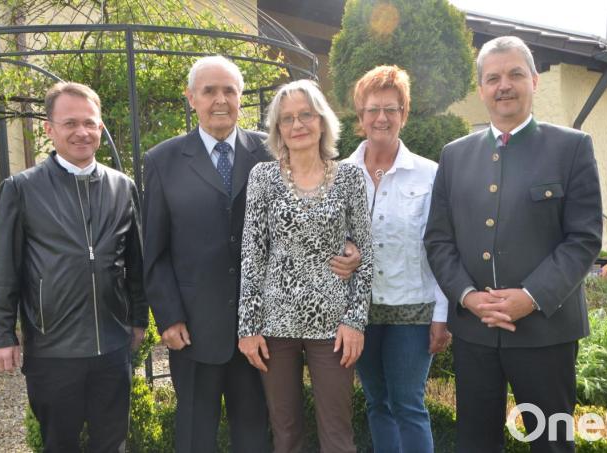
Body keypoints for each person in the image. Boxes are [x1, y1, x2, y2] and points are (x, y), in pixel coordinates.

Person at [143, 56, 361, 452]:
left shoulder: (269, 153)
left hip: (262, 331)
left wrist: (348, 249)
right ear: (191, 98)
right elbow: (153, 250)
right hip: (195, 326)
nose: (220, 99)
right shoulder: (163, 160)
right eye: (209, 91)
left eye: (229, 90)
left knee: (258, 435)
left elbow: (310, 211)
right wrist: (169, 316)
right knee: (195, 436)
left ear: (241, 97)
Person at [424, 36, 603, 453]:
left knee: (552, 444)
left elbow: (583, 238)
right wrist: (468, 297)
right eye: (493, 78)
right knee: (474, 443)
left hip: (545, 330)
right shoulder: (454, 155)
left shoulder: (572, 147)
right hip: (475, 332)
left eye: (515, 74)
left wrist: (530, 296)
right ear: (481, 88)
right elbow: (438, 239)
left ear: (534, 81)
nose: (503, 85)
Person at [0, 81, 148, 453]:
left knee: (112, 443)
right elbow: (3, 269)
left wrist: (138, 318)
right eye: (70, 123)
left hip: (111, 345)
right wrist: (0, 335)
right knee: (59, 445)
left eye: (90, 123)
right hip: (53, 349)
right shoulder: (21, 189)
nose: (82, 132)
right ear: (50, 128)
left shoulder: (123, 187)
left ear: (101, 126)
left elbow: (136, 262)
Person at [237, 79, 373, 453]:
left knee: (337, 432)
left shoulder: (349, 177)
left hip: (333, 327)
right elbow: (253, 253)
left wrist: (355, 321)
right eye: (287, 119)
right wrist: (247, 327)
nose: (297, 125)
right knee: (285, 431)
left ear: (322, 121)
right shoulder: (262, 177)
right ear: (278, 129)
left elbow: (365, 252)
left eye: (306, 116)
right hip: (274, 325)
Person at [342, 65, 450, 453]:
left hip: (413, 313)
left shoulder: (431, 175)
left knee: (408, 405)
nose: (381, 118)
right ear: (360, 117)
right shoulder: (340, 176)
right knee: (377, 404)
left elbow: (442, 249)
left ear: (404, 114)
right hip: (358, 315)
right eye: (373, 110)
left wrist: (442, 314)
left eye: (391, 108)